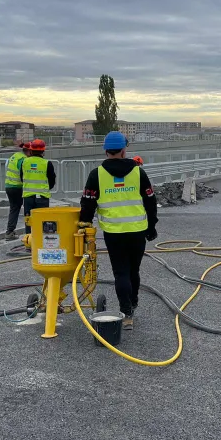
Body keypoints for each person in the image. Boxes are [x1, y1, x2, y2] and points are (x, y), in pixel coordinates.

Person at [80, 132, 158, 330]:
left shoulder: (96, 174)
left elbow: (87, 204)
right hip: (137, 231)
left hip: (113, 233)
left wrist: (84, 227)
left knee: (121, 272)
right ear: (124, 149)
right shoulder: (138, 172)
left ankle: (127, 313)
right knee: (134, 270)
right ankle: (133, 302)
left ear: (106, 150)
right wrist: (152, 226)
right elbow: (150, 201)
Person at [21, 138, 56, 234]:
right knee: (43, 221)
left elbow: (22, 177)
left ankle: (29, 242)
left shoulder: (25, 162)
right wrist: (46, 188)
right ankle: (41, 242)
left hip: (28, 196)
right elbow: (52, 180)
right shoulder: (47, 163)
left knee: (29, 220)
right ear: (43, 151)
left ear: (31, 150)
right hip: (42, 197)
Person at [4, 141, 31, 240]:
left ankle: (10, 231)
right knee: (27, 209)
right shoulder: (23, 159)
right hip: (17, 187)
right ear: (28, 151)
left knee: (14, 208)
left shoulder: (15, 156)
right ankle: (28, 232)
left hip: (9, 186)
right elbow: (23, 174)